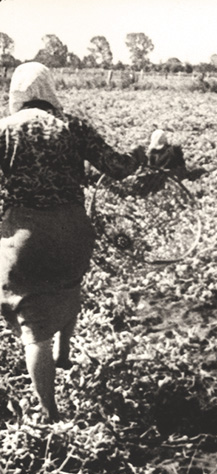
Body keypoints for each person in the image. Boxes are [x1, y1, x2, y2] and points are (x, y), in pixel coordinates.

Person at [0, 62, 147, 422]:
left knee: (35, 332)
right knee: (67, 285)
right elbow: (118, 167)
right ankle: (65, 354)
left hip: (26, 235)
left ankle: (50, 414)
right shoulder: (73, 127)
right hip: (73, 232)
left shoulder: (4, 130)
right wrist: (142, 153)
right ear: (49, 91)